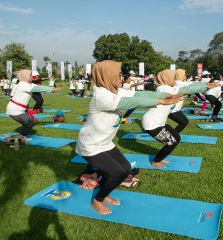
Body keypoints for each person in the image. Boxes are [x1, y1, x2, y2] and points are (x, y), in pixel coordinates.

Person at [76, 60, 182, 215]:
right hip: (90, 145)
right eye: (119, 75)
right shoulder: (101, 95)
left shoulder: (114, 91)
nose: (122, 78)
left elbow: (139, 94)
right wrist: (161, 101)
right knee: (116, 173)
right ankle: (97, 200)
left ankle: (104, 195)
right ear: (108, 76)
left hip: (105, 143)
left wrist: (166, 94)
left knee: (125, 170)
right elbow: (133, 101)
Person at [142, 69, 219, 168]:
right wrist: (204, 86)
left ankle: (160, 157)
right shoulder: (163, 88)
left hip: (159, 122)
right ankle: (156, 161)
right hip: (151, 123)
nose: (175, 80)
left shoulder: (169, 87)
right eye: (173, 78)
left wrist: (204, 86)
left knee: (176, 138)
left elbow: (188, 86)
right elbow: (182, 90)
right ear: (166, 78)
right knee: (172, 142)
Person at [6, 69, 53, 138]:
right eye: (31, 76)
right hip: (14, 110)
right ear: (26, 76)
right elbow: (39, 88)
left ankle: (21, 137)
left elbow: (38, 86)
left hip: (20, 109)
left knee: (31, 122)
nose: (33, 77)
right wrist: (52, 89)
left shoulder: (27, 84)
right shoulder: (23, 84)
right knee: (29, 123)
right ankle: (19, 139)